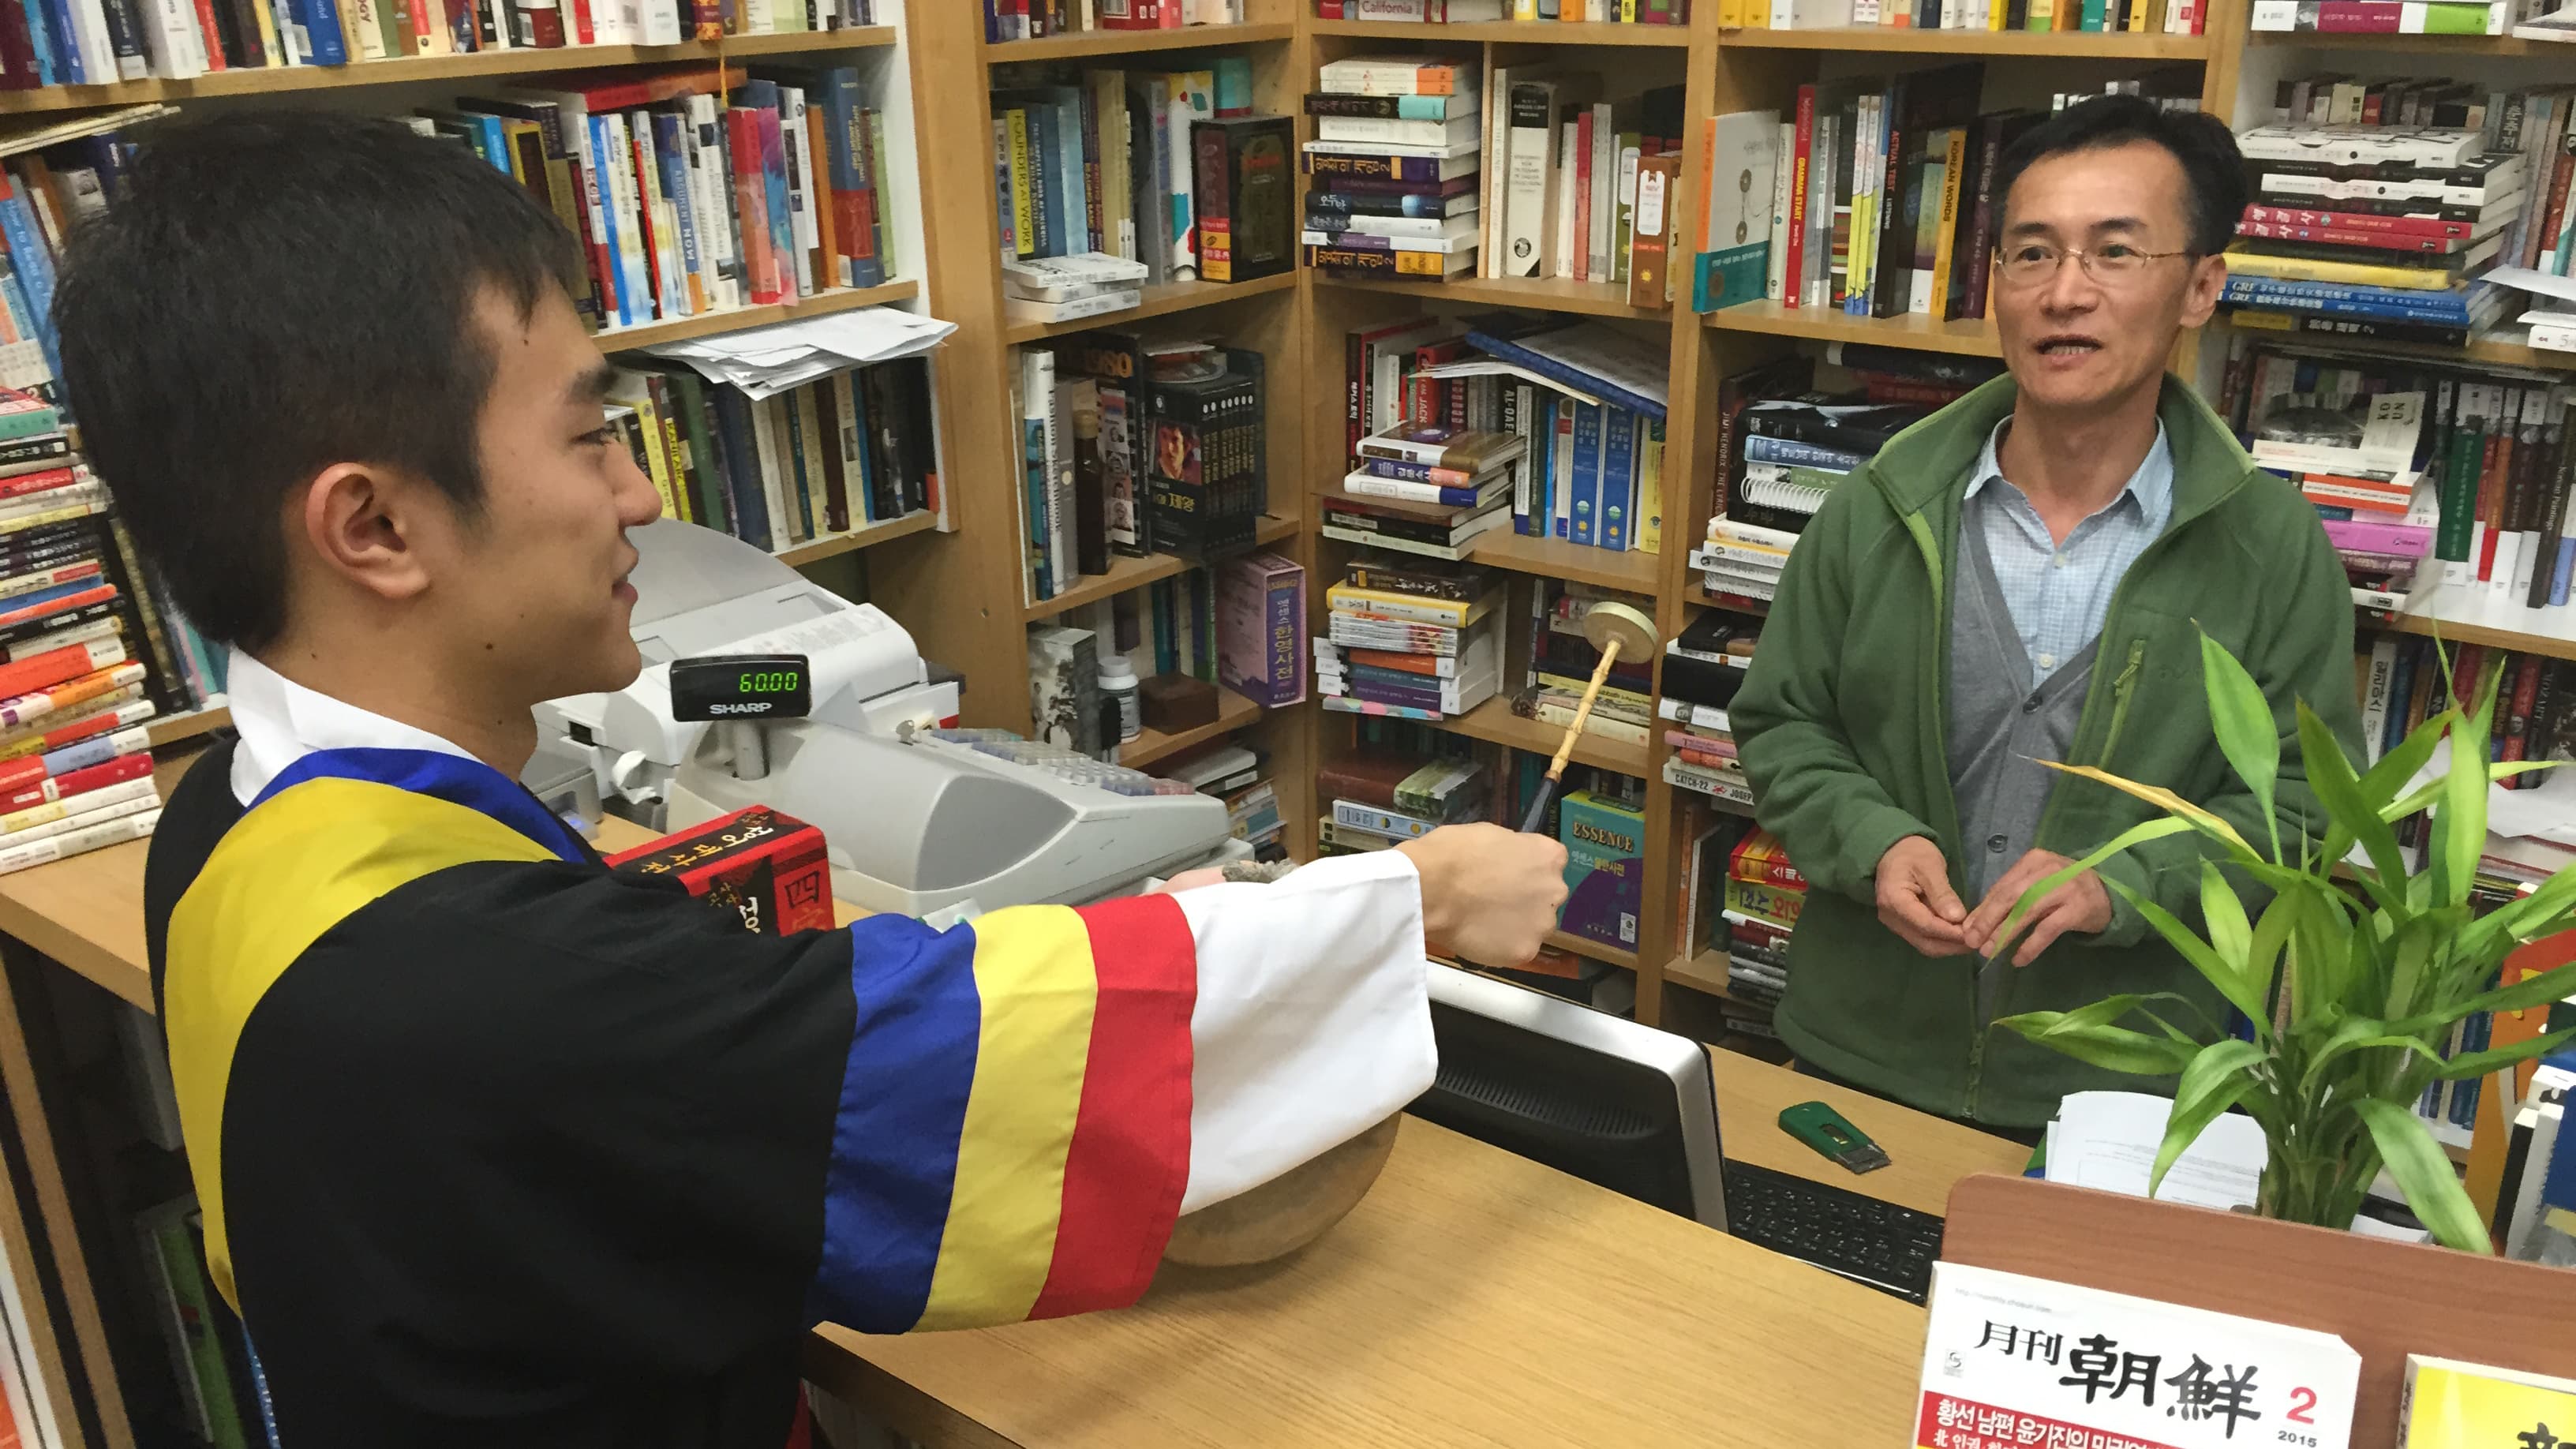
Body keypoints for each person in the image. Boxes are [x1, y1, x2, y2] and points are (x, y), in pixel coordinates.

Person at [60, 110, 1571, 1447]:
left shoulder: (225, 817)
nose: (640, 495)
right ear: (374, 529)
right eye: (591, 437)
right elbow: (960, 1068)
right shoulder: (486, 996)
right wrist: (1412, 896)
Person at [1730, 95, 2363, 1133]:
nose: (2064, 294)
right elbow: (1782, 720)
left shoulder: (2270, 549)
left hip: (2120, 1090)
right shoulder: (1881, 505)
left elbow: (2301, 810)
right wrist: (1877, 842)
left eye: (2116, 253)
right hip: (1858, 1053)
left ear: (2201, 286)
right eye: (2031, 254)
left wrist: (2131, 884)